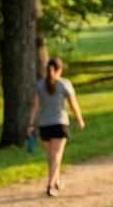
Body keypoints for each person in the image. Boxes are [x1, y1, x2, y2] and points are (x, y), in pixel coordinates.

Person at [27, 57, 85, 197]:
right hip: (60, 123)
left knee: (51, 156)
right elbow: (73, 104)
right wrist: (79, 118)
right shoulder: (64, 84)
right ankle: (51, 185)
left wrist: (30, 124)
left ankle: (56, 180)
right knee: (56, 156)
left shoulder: (39, 85)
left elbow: (34, 106)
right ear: (60, 69)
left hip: (44, 125)